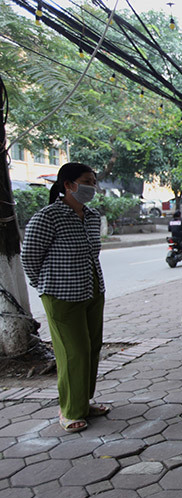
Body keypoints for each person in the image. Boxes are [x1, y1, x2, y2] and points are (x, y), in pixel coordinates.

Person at [22, 162, 108, 433]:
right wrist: (44, 287)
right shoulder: (48, 217)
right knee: (74, 352)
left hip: (92, 289)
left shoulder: (93, 217)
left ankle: (83, 401)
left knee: (92, 347)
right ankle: (70, 410)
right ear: (68, 185)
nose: (91, 187)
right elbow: (29, 258)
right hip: (61, 294)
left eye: (94, 181)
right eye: (86, 181)